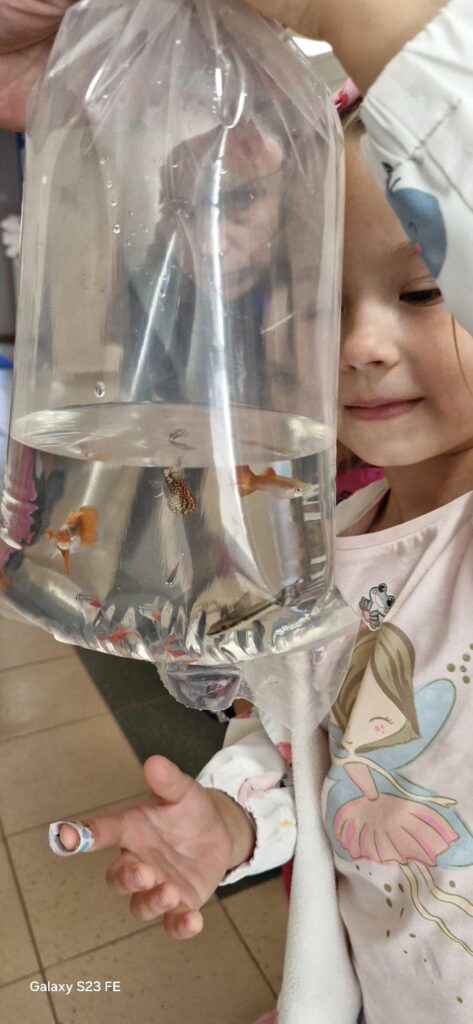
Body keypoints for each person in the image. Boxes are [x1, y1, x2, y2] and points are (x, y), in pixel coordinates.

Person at [50, 71, 473, 1023]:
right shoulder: (326, 559)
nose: (358, 343)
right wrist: (234, 821)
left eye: (423, 289)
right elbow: (302, 755)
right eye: (315, 300)